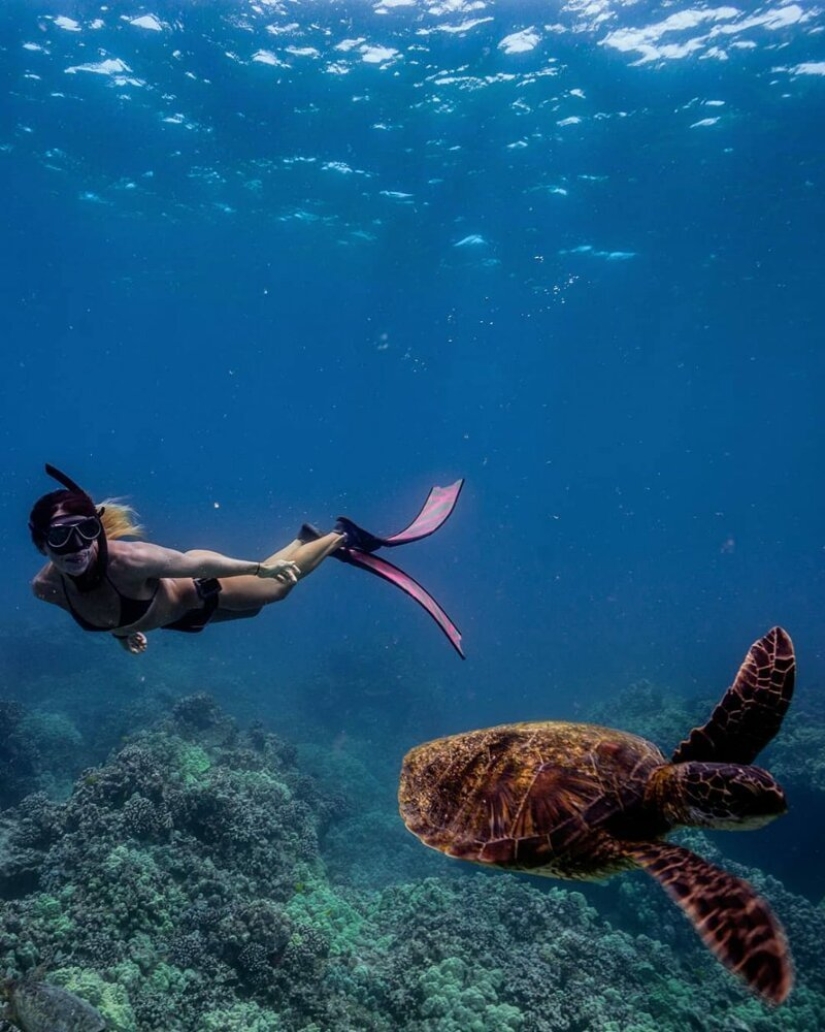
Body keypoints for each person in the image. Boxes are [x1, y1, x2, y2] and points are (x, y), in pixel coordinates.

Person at [29, 465, 466, 657]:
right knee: (253, 608)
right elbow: (99, 609)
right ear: (41, 545)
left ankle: (341, 535)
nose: (77, 548)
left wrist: (259, 569)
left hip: (199, 586)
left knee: (275, 588)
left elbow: (195, 566)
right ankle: (305, 542)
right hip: (178, 620)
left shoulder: (131, 560)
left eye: (87, 531)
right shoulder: (47, 588)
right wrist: (122, 636)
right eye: (60, 537)